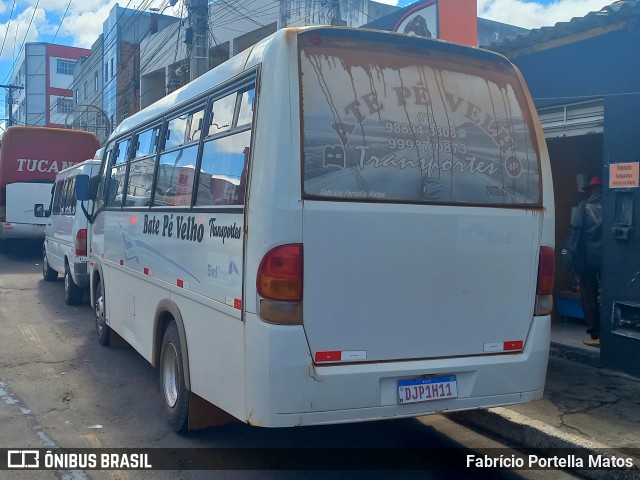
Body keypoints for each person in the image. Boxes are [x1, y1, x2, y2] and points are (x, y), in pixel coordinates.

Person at [571, 176, 603, 347]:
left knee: (589, 296)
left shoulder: (584, 206)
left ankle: (595, 335)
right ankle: (609, 333)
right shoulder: (611, 205)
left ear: (591, 190)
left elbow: (576, 230)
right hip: (607, 259)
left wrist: (572, 254)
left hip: (587, 258)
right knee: (608, 295)